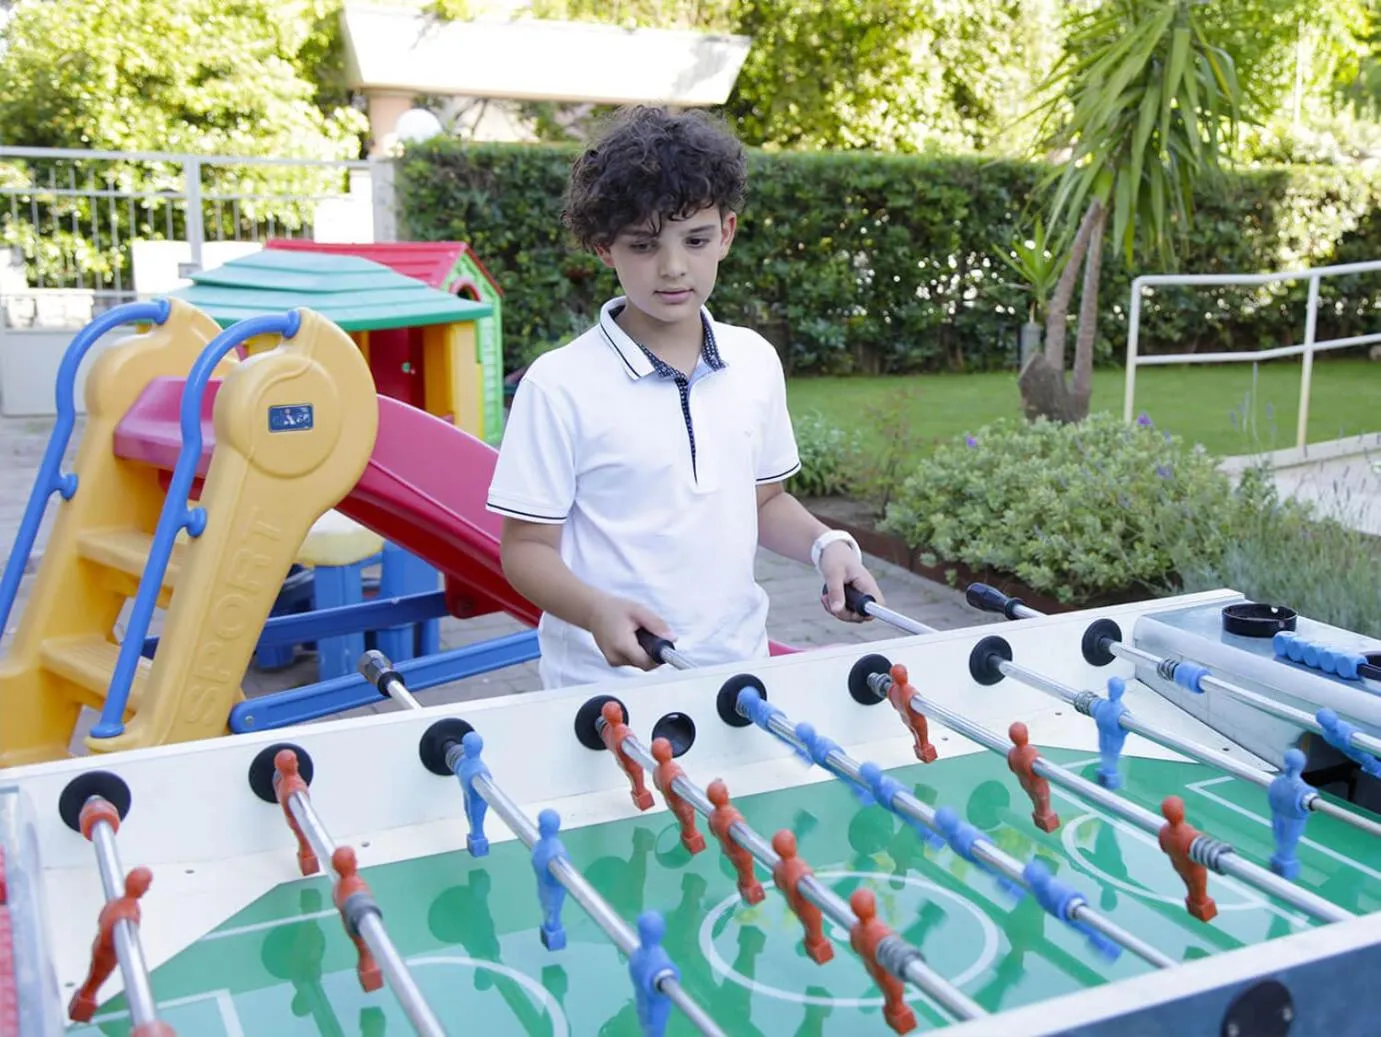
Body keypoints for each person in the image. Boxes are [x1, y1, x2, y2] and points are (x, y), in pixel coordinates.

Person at [486, 105, 884, 689]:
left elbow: (763, 502)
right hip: (604, 691)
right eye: (644, 245)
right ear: (604, 248)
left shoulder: (754, 360)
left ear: (726, 233)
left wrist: (828, 546)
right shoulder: (557, 385)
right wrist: (595, 611)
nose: (673, 268)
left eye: (695, 240)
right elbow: (525, 549)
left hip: (739, 675)